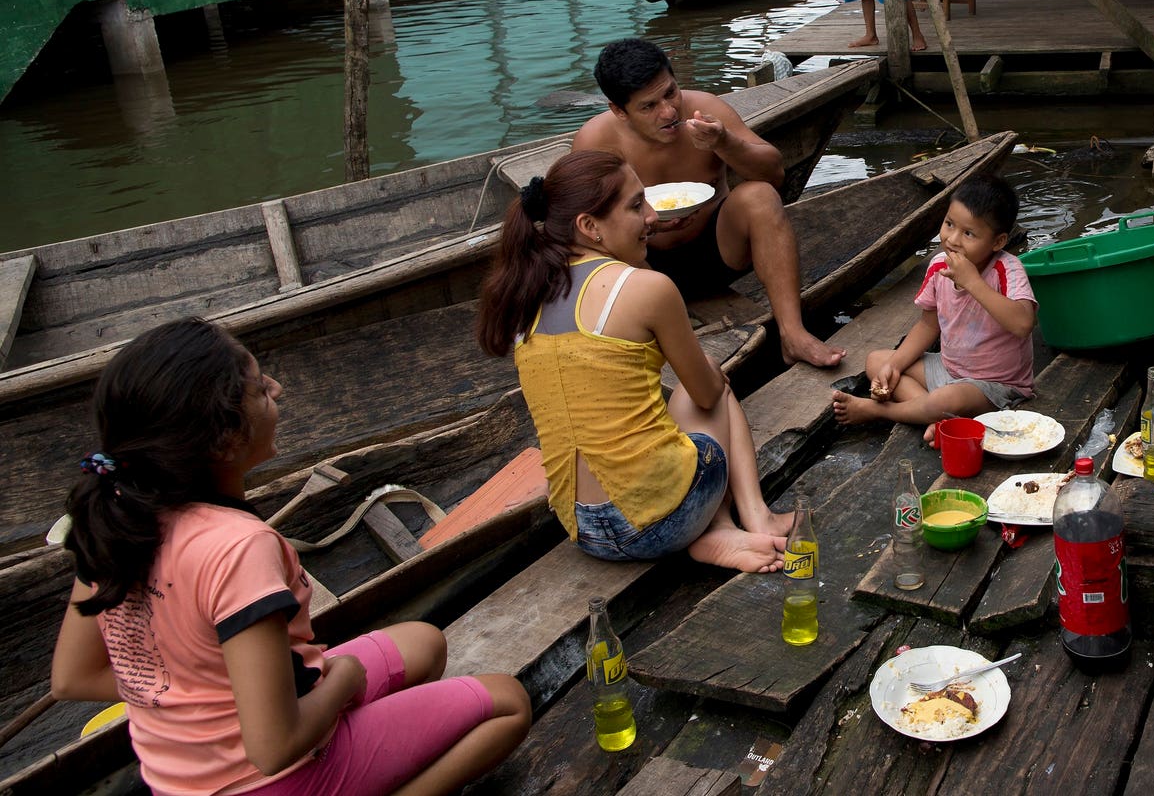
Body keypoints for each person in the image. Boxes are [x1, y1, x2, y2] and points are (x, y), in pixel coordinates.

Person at [49, 320, 530, 796]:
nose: (276, 390)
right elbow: (273, 749)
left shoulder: (114, 514)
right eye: (259, 390)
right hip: (272, 779)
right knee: (509, 702)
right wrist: (339, 684)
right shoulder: (237, 547)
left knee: (423, 643)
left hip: (182, 778)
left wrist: (198, 698)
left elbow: (74, 677)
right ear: (224, 439)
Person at [478, 151, 794, 572]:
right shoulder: (647, 288)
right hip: (663, 522)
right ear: (589, 227)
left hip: (585, 530)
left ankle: (716, 530)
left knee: (664, 411)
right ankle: (754, 515)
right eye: (635, 206)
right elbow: (707, 392)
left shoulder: (524, 297)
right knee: (712, 384)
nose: (651, 216)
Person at [572, 38, 846, 368]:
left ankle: (792, 333)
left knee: (759, 196)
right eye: (648, 106)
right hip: (644, 264)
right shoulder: (597, 141)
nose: (668, 112)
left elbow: (774, 174)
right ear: (619, 110)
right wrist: (644, 223)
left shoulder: (705, 110)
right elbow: (585, 231)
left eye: (670, 93)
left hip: (719, 251)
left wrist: (725, 143)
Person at [830, 175, 1036, 438]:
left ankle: (880, 411)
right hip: (948, 369)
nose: (952, 239)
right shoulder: (939, 265)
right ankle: (933, 420)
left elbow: (1023, 325)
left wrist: (972, 281)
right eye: (949, 224)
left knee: (943, 400)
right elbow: (928, 324)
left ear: (997, 242)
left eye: (969, 233)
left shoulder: (1006, 269)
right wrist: (894, 366)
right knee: (877, 362)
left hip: (994, 385)